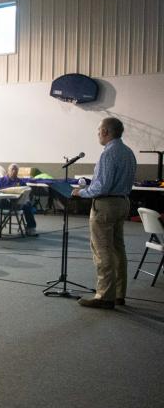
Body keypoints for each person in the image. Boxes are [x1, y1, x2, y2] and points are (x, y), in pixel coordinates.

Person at [72, 117, 138, 309]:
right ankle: (119, 293)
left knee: (102, 250)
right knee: (118, 249)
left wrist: (81, 192)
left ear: (106, 132)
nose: (98, 134)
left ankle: (104, 296)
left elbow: (102, 186)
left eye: (99, 130)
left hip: (106, 204)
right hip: (123, 202)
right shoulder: (128, 152)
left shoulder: (108, 154)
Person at [0, 164, 38, 236]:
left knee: (27, 204)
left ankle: (31, 228)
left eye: (16, 170)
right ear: (8, 171)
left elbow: (27, 190)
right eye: (12, 169)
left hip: (17, 204)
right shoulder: (1, 180)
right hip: (4, 203)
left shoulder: (21, 182)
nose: (14, 171)